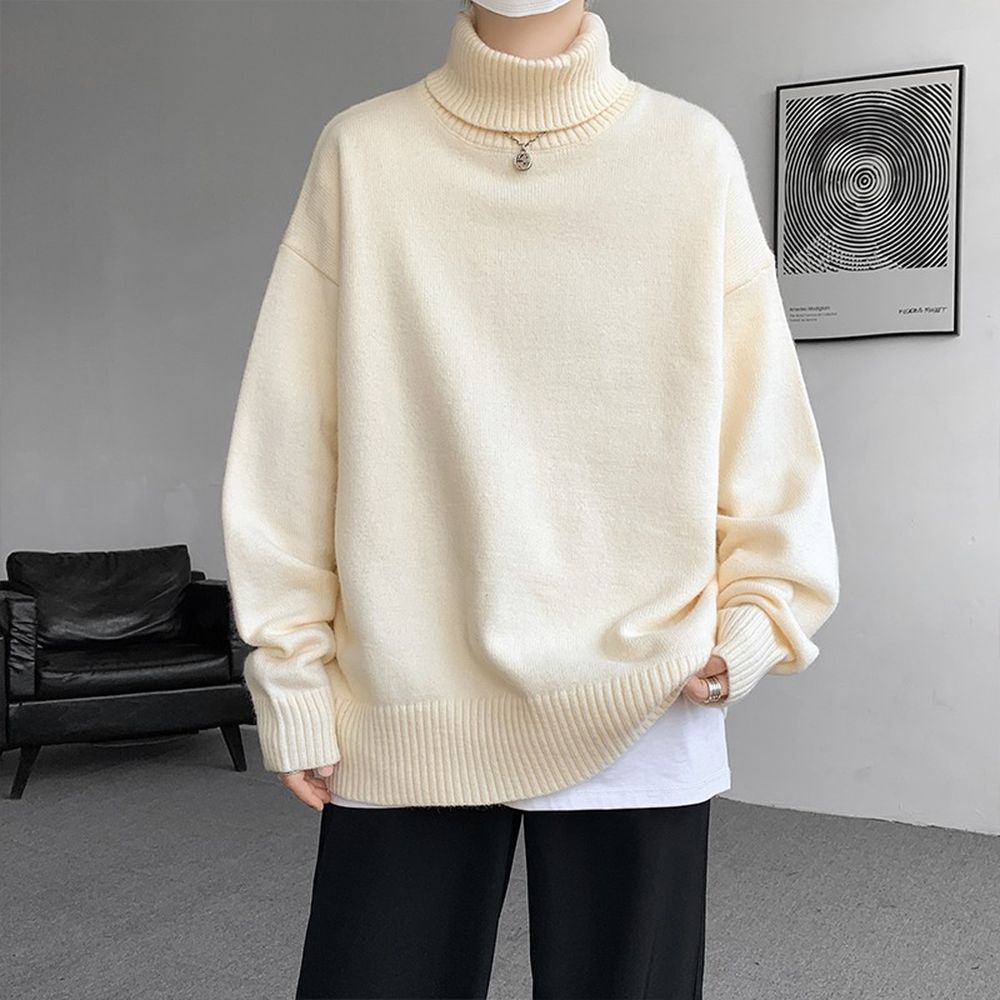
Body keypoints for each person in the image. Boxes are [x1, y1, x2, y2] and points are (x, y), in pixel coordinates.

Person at [220, 1, 840, 997]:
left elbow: (762, 426)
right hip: (408, 691)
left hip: (647, 687)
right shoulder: (363, 155)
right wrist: (291, 674)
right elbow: (290, 443)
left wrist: (758, 616)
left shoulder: (689, 155)